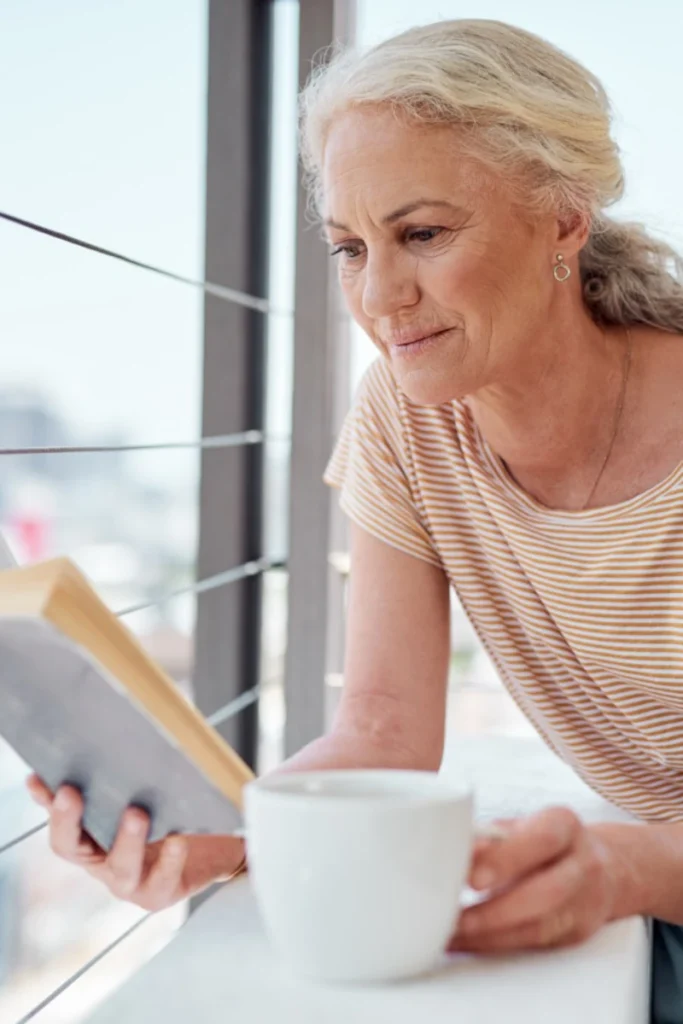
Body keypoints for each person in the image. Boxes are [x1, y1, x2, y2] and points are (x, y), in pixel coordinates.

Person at [28, 20, 683, 1021]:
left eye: (421, 233)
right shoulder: (403, 416)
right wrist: (228, 828)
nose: (379, 296)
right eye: (348, 246)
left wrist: (621, 868)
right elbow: (379, 727)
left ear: (561, 218)